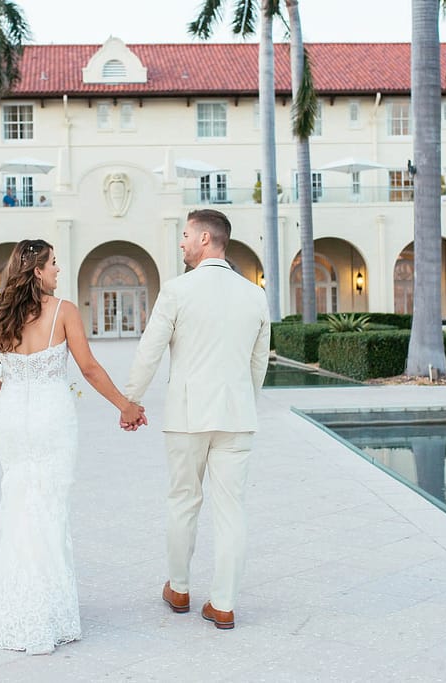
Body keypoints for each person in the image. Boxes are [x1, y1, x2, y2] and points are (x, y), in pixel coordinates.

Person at [0, 239, 146, 655]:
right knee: (48, 506)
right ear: (36, 270)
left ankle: (10, 603)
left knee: (17, 501)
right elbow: (88, 367)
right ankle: (45, 609)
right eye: (53, 264)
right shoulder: (63, 311)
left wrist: (15, 400)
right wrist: (126, 405)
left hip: (12, 417)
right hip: (52, 417)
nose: (58, 270)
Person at [123, 209, 270, 631]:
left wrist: (130, 401)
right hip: (236, 416)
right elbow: (258, 364)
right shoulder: (254, 295)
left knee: (183, 501)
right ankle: (223, 604)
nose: (182, 242)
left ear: (206, 238)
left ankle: (181, 588)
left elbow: (150, 350)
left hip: (187, 416)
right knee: (231, 511)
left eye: (186, 235)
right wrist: (245, 402)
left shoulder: (176, 291)